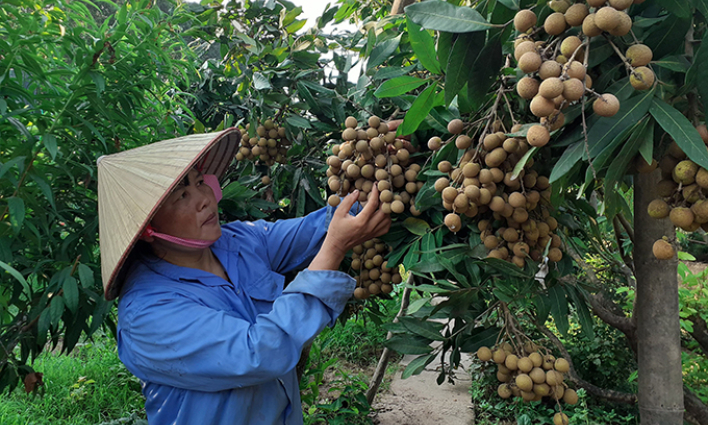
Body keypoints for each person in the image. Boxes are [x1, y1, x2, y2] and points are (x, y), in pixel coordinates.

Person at [96, 128, 391, 425]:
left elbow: (317, 228)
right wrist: (336, 246)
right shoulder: (147, 315)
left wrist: (379, 164)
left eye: (200, 182)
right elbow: (261, 351)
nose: (204, 199)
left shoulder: (237, 241)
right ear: (147, 229)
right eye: (182, 195)